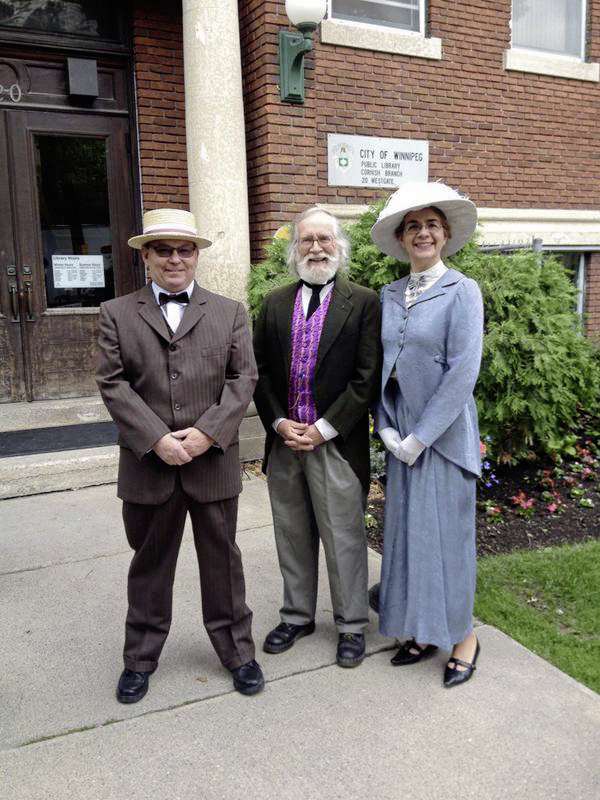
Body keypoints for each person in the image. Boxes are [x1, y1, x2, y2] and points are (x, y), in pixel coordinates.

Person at [96, 208, 264, 703]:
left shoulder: (229, 311)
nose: (175, 258)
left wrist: (207, 435)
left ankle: (237, 652)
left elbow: (243, 379)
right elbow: (113, 383)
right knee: (149, 566)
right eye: (163, 249)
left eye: (184, 249)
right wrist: (157, 439)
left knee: (223, 564)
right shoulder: (116, 313)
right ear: (145, 256)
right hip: (149, 465)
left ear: (197, 256)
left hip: (211, 463)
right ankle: (140, 659)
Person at [253, 207, 381, 668]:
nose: (316, 248)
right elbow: (259, 371)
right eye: (307, 240)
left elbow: (367, 378)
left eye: (324, 239)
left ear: (339, 246)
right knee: (291, 533)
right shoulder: (273, 302)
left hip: (335, 444)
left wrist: (324, 428)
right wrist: (277, 422)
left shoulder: (364, 302)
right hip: (285, 441)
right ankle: (297, 615)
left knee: (343, 535)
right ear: (294, 249)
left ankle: (350, 625)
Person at [370, 181, 483, 688]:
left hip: (443, 436)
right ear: (400, 237)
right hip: (401, 437)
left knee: (448, 540)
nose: (422, 233)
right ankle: (421, 628)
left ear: (445, 235)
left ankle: (463, 637)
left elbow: (463, 372)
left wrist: (422, 437)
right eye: (412, 226)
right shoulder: (389, 294)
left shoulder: (463, 291)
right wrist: (388, 428)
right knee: (409, 540)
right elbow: (379, 368)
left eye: (431, 225)